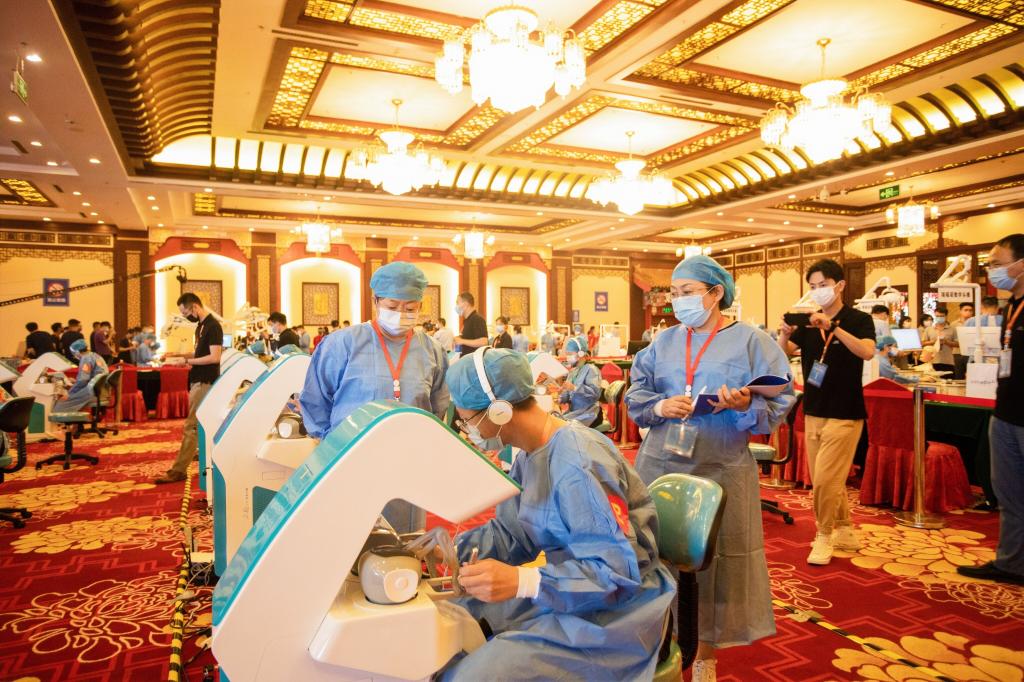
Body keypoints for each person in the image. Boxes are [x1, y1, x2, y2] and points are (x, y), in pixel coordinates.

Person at [438, 347, 675, 680]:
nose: (467, 430)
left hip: (620, 614)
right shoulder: (531, 453)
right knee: (448, 623)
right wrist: (448, 551)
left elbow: (616, 574)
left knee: (471, 676)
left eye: (467, 421)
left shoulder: (579, 463)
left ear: (500, 412)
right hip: (569, 588)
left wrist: (523, 581)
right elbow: (512, 533)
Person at [628, 255, 795, 681]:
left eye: (687, 292)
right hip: (661, 464)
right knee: (654, 551)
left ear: (716, 292)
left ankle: (705, 654)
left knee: (715, 562)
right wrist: (659, 406)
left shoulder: (752, 342)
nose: (678, 301)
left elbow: (779, 400)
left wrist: (745, 404)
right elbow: (636, 393)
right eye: (674, 293)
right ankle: (657, 640)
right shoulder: (664, 342)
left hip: (720, 466)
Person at [300, 262, 449, 533]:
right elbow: (316, 400)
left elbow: (438, 407)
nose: (400, 314)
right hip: (350, 459)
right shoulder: (343, 343)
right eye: (392, 306)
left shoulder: (432, 350)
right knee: (348, 536)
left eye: (410, 308)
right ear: (375, 301)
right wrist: (332, 445)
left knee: (403, 542)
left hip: (408, 464)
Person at [778, 259, 874, 567]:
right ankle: (844, 528)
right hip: (814, 408)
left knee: (825, 479)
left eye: (823, 285)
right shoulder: (808, 322)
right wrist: (784, 333)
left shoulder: (858, 319)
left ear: (840, 285)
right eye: (813, 287)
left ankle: (823, 533)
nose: (818, 291)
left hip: (845, 411)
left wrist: (832, 327)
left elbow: (867, 351)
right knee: (825, 476)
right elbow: (784, 352)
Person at [958, 235, 1024, 585]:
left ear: (1021, 265)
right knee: (1008, 494)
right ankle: (1011, 562)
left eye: (998, 264)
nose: (991, 271)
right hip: (1005, 413)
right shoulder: (1009, 308)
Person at [155, 293, 223, 484]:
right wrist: (177, 356)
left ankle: (179, 470)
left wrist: (186, 361)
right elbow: (199, 353)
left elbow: (214, 357)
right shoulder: (201, 327)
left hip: (205, 381)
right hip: (197, 380)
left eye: (185, 313)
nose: (185, 317)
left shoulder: (213, 326)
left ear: (194, 307)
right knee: (197, 426)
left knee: (190, 426)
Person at [53, 339, 108, 412]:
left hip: (92, 392)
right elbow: (90, 376)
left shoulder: (86, 358)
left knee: (60, 404)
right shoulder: (95, 355)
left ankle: (67, 418)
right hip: (101, 390)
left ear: (77, 352)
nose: (74, 356)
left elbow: (83, 380)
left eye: (74, 354)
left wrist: (69, 393)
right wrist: (76, 381)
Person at [559, 336, 603, 428]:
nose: (567, 357)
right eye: (567, 354)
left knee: (563, 427)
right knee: (557, 422)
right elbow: (568, 394)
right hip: (577, 412)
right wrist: (559, 397)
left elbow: (595, 394)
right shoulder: (573, 371)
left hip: (590, 413)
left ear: (581, 353)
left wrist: (574, 388)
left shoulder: (591, 370)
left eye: (570, 354)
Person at [453, 292, 489, 357]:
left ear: (466, 304)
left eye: (457, 302)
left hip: (473, 360)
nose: (456, 306)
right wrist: (459, 338)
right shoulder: (467, 320)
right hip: (466, 359)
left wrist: (462, 341)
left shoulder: (477, 319)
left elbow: (484, 342)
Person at [930, 305, 956, 374]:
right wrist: (934, 342)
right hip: (932, 361)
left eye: (941, 316)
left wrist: (946, 342)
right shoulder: (929, 329)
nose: (939, 318)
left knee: (948, 379)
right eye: (937, 316)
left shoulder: (952, 329)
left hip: (948, 361)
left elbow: (958, 344)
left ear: (946, 316)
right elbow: (922, 343)